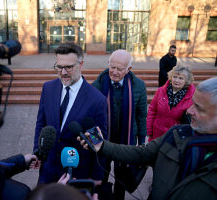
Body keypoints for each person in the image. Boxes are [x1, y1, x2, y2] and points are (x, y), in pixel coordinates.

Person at [79, 77, 217, 200]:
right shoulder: (177, 134)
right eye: (192, 103)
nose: (189, 110)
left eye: (198, 108)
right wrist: (102, 146)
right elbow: (141, 154)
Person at [34, 42, 108, 185]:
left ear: (81, 65)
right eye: (59, 67)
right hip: (47, 172)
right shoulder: (48, 88)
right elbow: (41, 124)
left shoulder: (97, 100)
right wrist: (38, 152)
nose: (63, 72)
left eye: (68, 67)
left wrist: (97, 177)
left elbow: (99, 143)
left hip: (77, 175)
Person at [92, 49, 147, 200]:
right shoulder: (97, 85)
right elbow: (90, 117)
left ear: (129, 69)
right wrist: (94, 142)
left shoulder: (139, 86)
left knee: (121, 177)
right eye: (112, 67)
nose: (114, 72)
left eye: (120, 69)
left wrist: (142, 142)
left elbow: (141, 115)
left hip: (126, 140)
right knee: (101, 172)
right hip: (103, 139)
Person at [147, 65, 195, 141]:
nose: (176, 80)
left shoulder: (192, 97)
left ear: (186, 81)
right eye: (175, 77)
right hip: (156, 135)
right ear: (171, 77)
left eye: (181, 78)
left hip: (175, 138)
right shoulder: (160, 91)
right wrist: (149, 130)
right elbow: (152, 111)